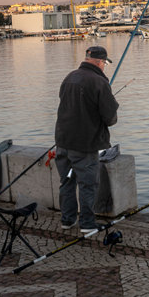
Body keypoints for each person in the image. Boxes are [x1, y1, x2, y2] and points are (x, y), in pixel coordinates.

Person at [54, 46, 119, 232]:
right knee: (87, 184)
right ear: (100, 62)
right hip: (84, 145)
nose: (105, 67)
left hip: (63, 143)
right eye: (105, 63)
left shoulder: (69, 77)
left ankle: (67, 220)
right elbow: (110, 118)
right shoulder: (99, 82)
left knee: (67, 182)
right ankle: (87, 224)